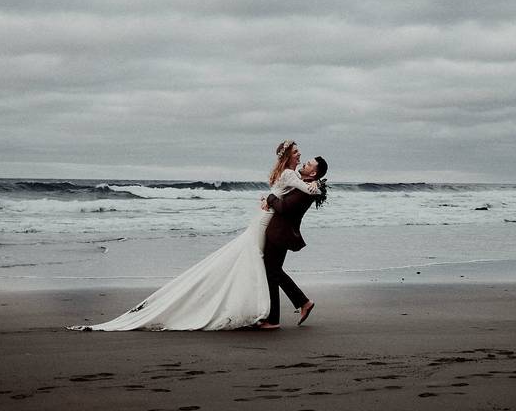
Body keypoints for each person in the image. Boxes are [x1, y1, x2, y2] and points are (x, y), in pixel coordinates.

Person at [67, 140, 327, 331]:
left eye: (305, 158)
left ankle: (269, 314)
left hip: (268, 223)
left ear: (312, 171)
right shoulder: (291, 174)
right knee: (259, 264)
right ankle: (269, 313)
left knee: (262, 266)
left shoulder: (291, 175)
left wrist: (278, 196)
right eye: (297, 153)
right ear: (289, 157)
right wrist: (306, 189)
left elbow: (294, 196)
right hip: (265, 223)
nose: (301, 156)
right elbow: (301, 191)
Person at [259, 143, 328, 329]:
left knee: (272, 272)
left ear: (313, 173)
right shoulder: (302, 182)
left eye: (308, 165)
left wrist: (269, 198)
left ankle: (274, 319)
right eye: (303, 160)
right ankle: (302, 302)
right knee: (274, 271)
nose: (303, 164)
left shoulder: (305, 189)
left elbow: (284, 208)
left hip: (280, 233)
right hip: (281, 232)